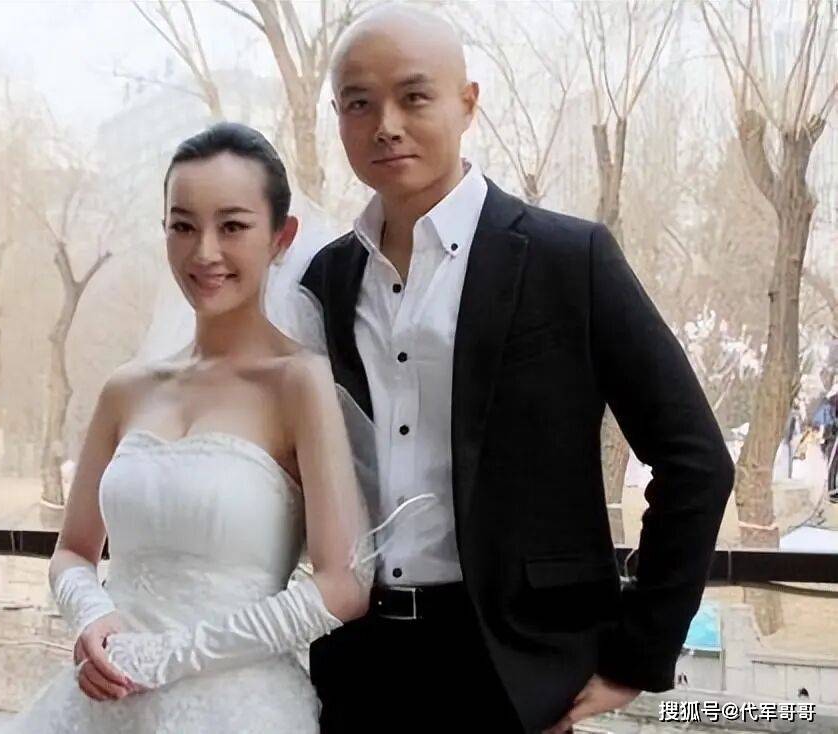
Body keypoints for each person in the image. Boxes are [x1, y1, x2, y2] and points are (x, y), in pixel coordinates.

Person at [289, 5, 735, 733]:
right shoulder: (324, 282)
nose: (386, 125)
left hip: (513, 667)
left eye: (414, 96)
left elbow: (697, 461)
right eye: (358, 104)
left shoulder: (569, 260)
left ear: (468, 104)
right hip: (357, 663)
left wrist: (637, 655)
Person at [3, 122, 373, 733]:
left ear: (282, 237)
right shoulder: (127, 388)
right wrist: (92, 616)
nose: (204, 252)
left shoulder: (299, 383)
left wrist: (173, 656)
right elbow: (72, 551)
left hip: (236, 707)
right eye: (183, 226)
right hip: (102, 697)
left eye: (232, 226)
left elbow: (343, 585)